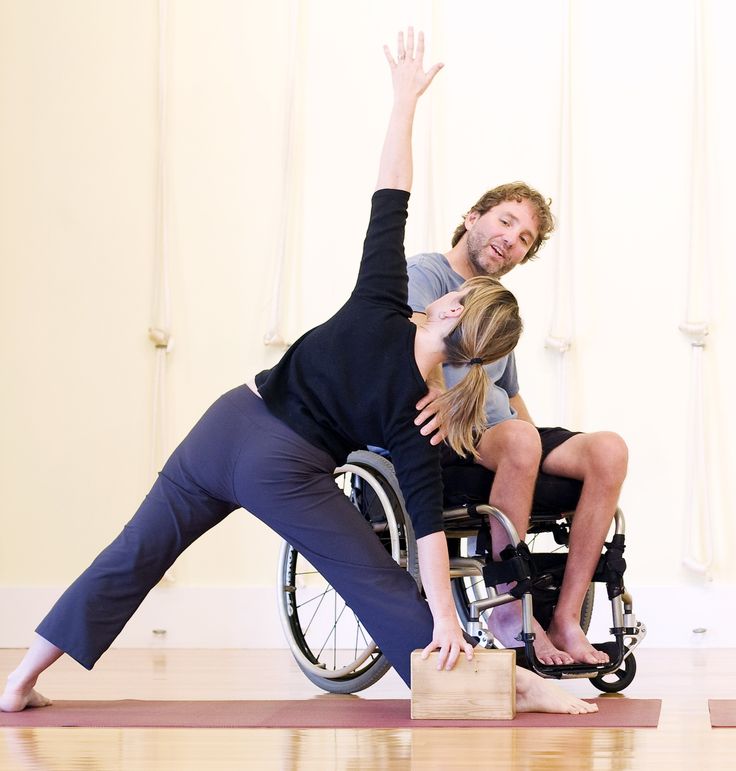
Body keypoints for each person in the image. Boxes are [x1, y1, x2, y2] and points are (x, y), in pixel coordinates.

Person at [1, 29, 596, 716]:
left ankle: (17, 681)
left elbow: (390, 190)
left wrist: (403, 102)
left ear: (447, 308)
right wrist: (443, 622)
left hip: (225, 423)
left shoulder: (379, 295)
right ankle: (515, 684)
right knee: (374, 581)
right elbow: (428, 538)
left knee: (134, 552)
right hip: (281, 467)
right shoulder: (415, 413)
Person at [407, 184, 629, 667]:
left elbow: (507, 391)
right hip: (451, 434)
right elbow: (414, 346)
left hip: (505, 432)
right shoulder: (426, 274)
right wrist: (447, 401)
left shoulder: (498, 302)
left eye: (525, 237)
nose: (512, 239)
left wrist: (538, 447)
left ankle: (566, 620)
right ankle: (509, 609)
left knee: (608, 449)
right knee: (519, 440)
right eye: (506, 221)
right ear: (471, 217)